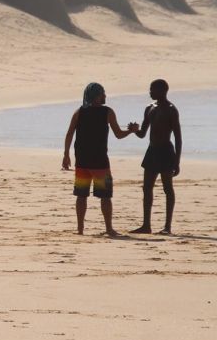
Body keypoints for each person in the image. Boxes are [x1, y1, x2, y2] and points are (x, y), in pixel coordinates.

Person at [62, 82, 137, 236]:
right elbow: (118, 134)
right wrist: (131, 131)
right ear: (96, 96)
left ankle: (80, 229)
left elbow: (69, 134)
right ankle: (109, 229)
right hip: (100, 162)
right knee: (105, 196)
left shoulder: (79, 112)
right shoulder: (107, 112)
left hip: (82, 161)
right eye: (102, 93)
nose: (105, 96)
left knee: (81, 195)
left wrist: (66, 154)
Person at [130, 79, 182, 235]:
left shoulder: (171, 109)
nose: (150, 92)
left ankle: (167, 227)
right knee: (147, 188)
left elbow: (178, 137)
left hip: (166, 151)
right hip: (152, 151)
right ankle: (146, 225)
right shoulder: (149, 108)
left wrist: (177, 162)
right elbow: (142, 134)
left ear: (163, 91)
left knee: (168, 189)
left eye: (152, 89)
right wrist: (134, 130)